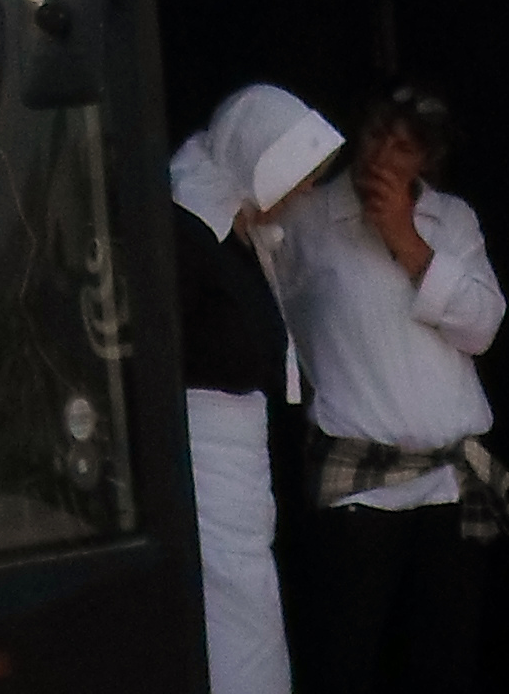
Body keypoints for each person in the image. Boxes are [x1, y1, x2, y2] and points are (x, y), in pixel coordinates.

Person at [278, 84, 509, 694]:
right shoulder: (306, 219)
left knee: (446, 660)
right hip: (362, 481)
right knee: (345, 659)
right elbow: (275, 328)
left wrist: (406, 239)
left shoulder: (451, 220)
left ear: (425, 163)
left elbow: (483, 327)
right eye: (377, 134)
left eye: (403, 147)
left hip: (450, 481)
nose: (381, 155)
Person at [172, 84, 348, 694]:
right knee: (227, 624)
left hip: (238, 476)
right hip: (203, 464)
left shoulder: (240, 234)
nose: (305, 190)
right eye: (298, 174)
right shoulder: (185, 236)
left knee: (251, 622)